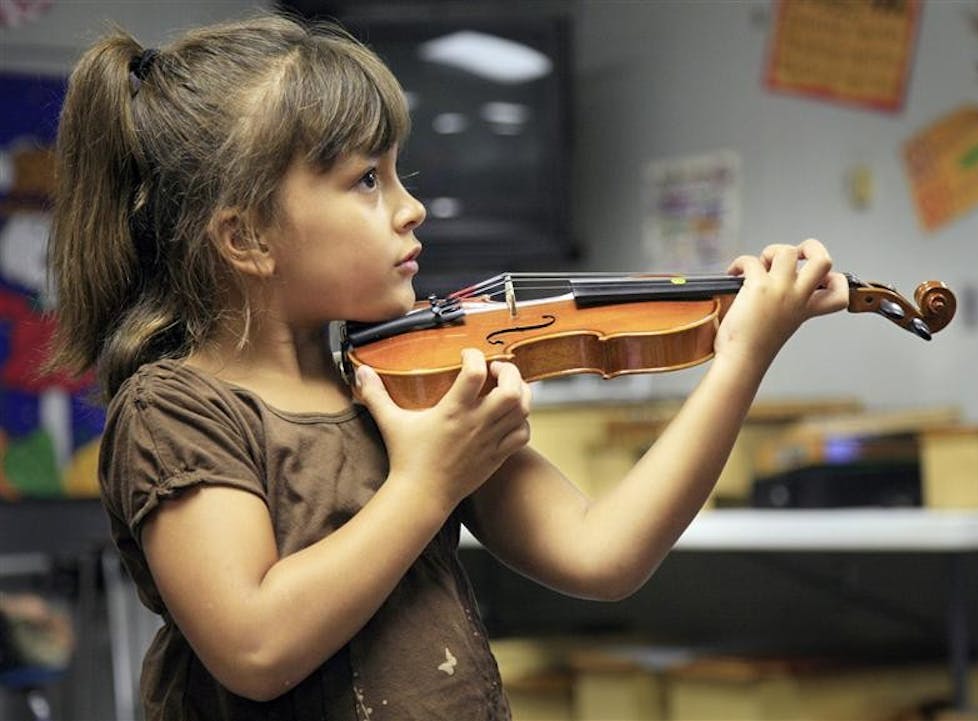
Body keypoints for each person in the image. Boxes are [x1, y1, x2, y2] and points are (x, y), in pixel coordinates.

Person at [46, 12, 848, 721]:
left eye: (397, 172)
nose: (411, 205)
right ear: (247, 238)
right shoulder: (177, 409)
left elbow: (604, 553)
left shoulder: (408, 381)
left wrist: (741, 356)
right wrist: (427, 482)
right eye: (366, 179)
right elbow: (255, 647)